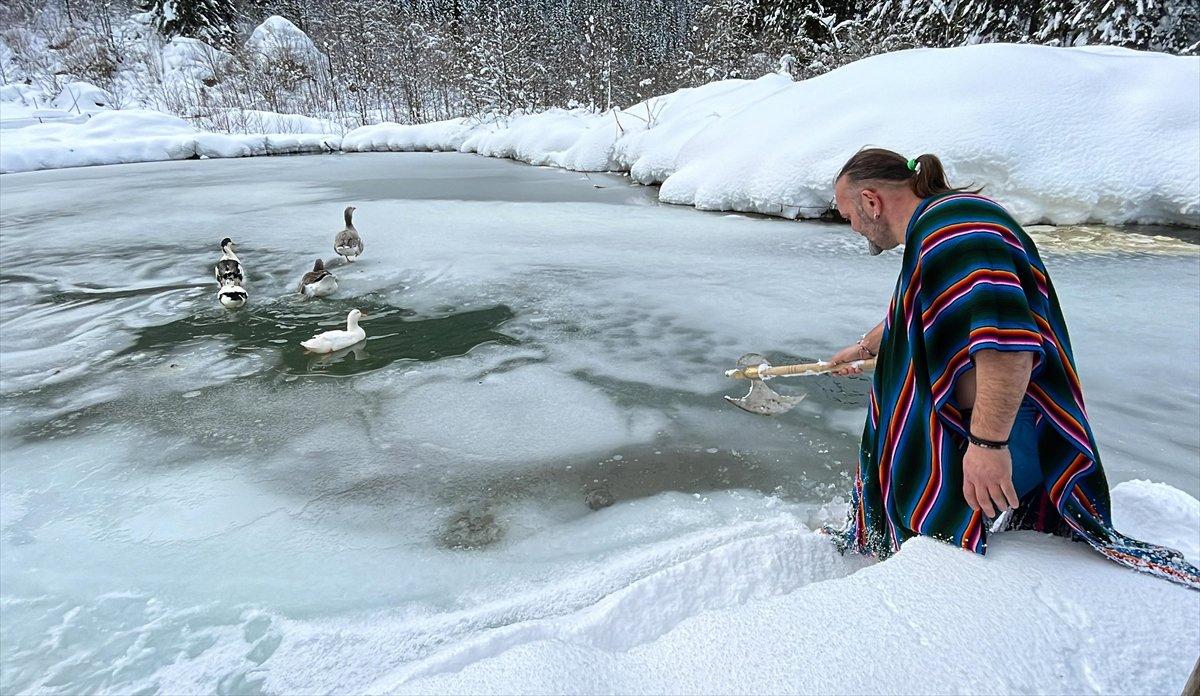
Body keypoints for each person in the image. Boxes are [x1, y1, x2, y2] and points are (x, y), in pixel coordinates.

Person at [825, 147, 1198, 589]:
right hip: (979, 425)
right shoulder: (943, 225)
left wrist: (988, 446)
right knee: (918, 527)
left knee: (937, 555)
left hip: (999, 431)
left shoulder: (959, 231)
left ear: (871, 201)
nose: (851, 226)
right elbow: (929, 309)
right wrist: (871, 345)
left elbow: (1008, 345)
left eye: (848, 214)